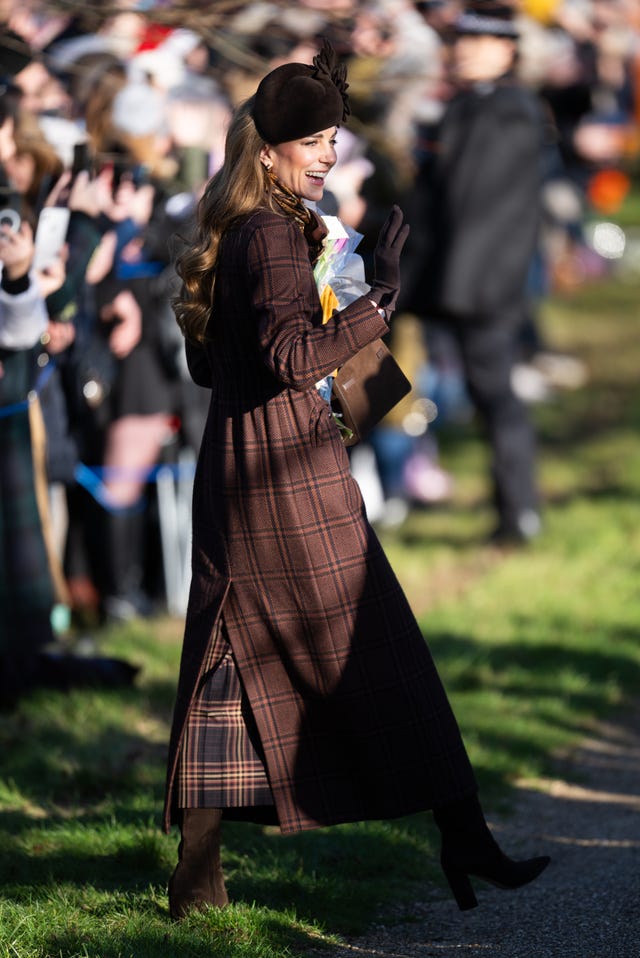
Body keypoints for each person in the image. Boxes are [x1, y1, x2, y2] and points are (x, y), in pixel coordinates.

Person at [163, 39, 550, 919]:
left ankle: (200, 880)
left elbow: (213, 366)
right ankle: (465, 839)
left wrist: (341, 294)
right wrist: (379, 300)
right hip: (284, 481)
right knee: (381, 655)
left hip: (249, 468)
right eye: (314, 144)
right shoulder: (267, 234)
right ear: (268, 152)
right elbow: (292, 355)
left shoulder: (247, 228)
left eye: (335, 140)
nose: (330, 157)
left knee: (234, 663)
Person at [400, 3, 547, 544]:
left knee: (494, 394)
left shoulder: (506, 108)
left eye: (480, 44)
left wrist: (449, 288)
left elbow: (483, 212)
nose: (464, 51)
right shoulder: (470, 106)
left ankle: (518, 513)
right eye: (460, 42)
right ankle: (515, 510)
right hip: (459, 280)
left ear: (508, 51)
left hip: (481, 286)